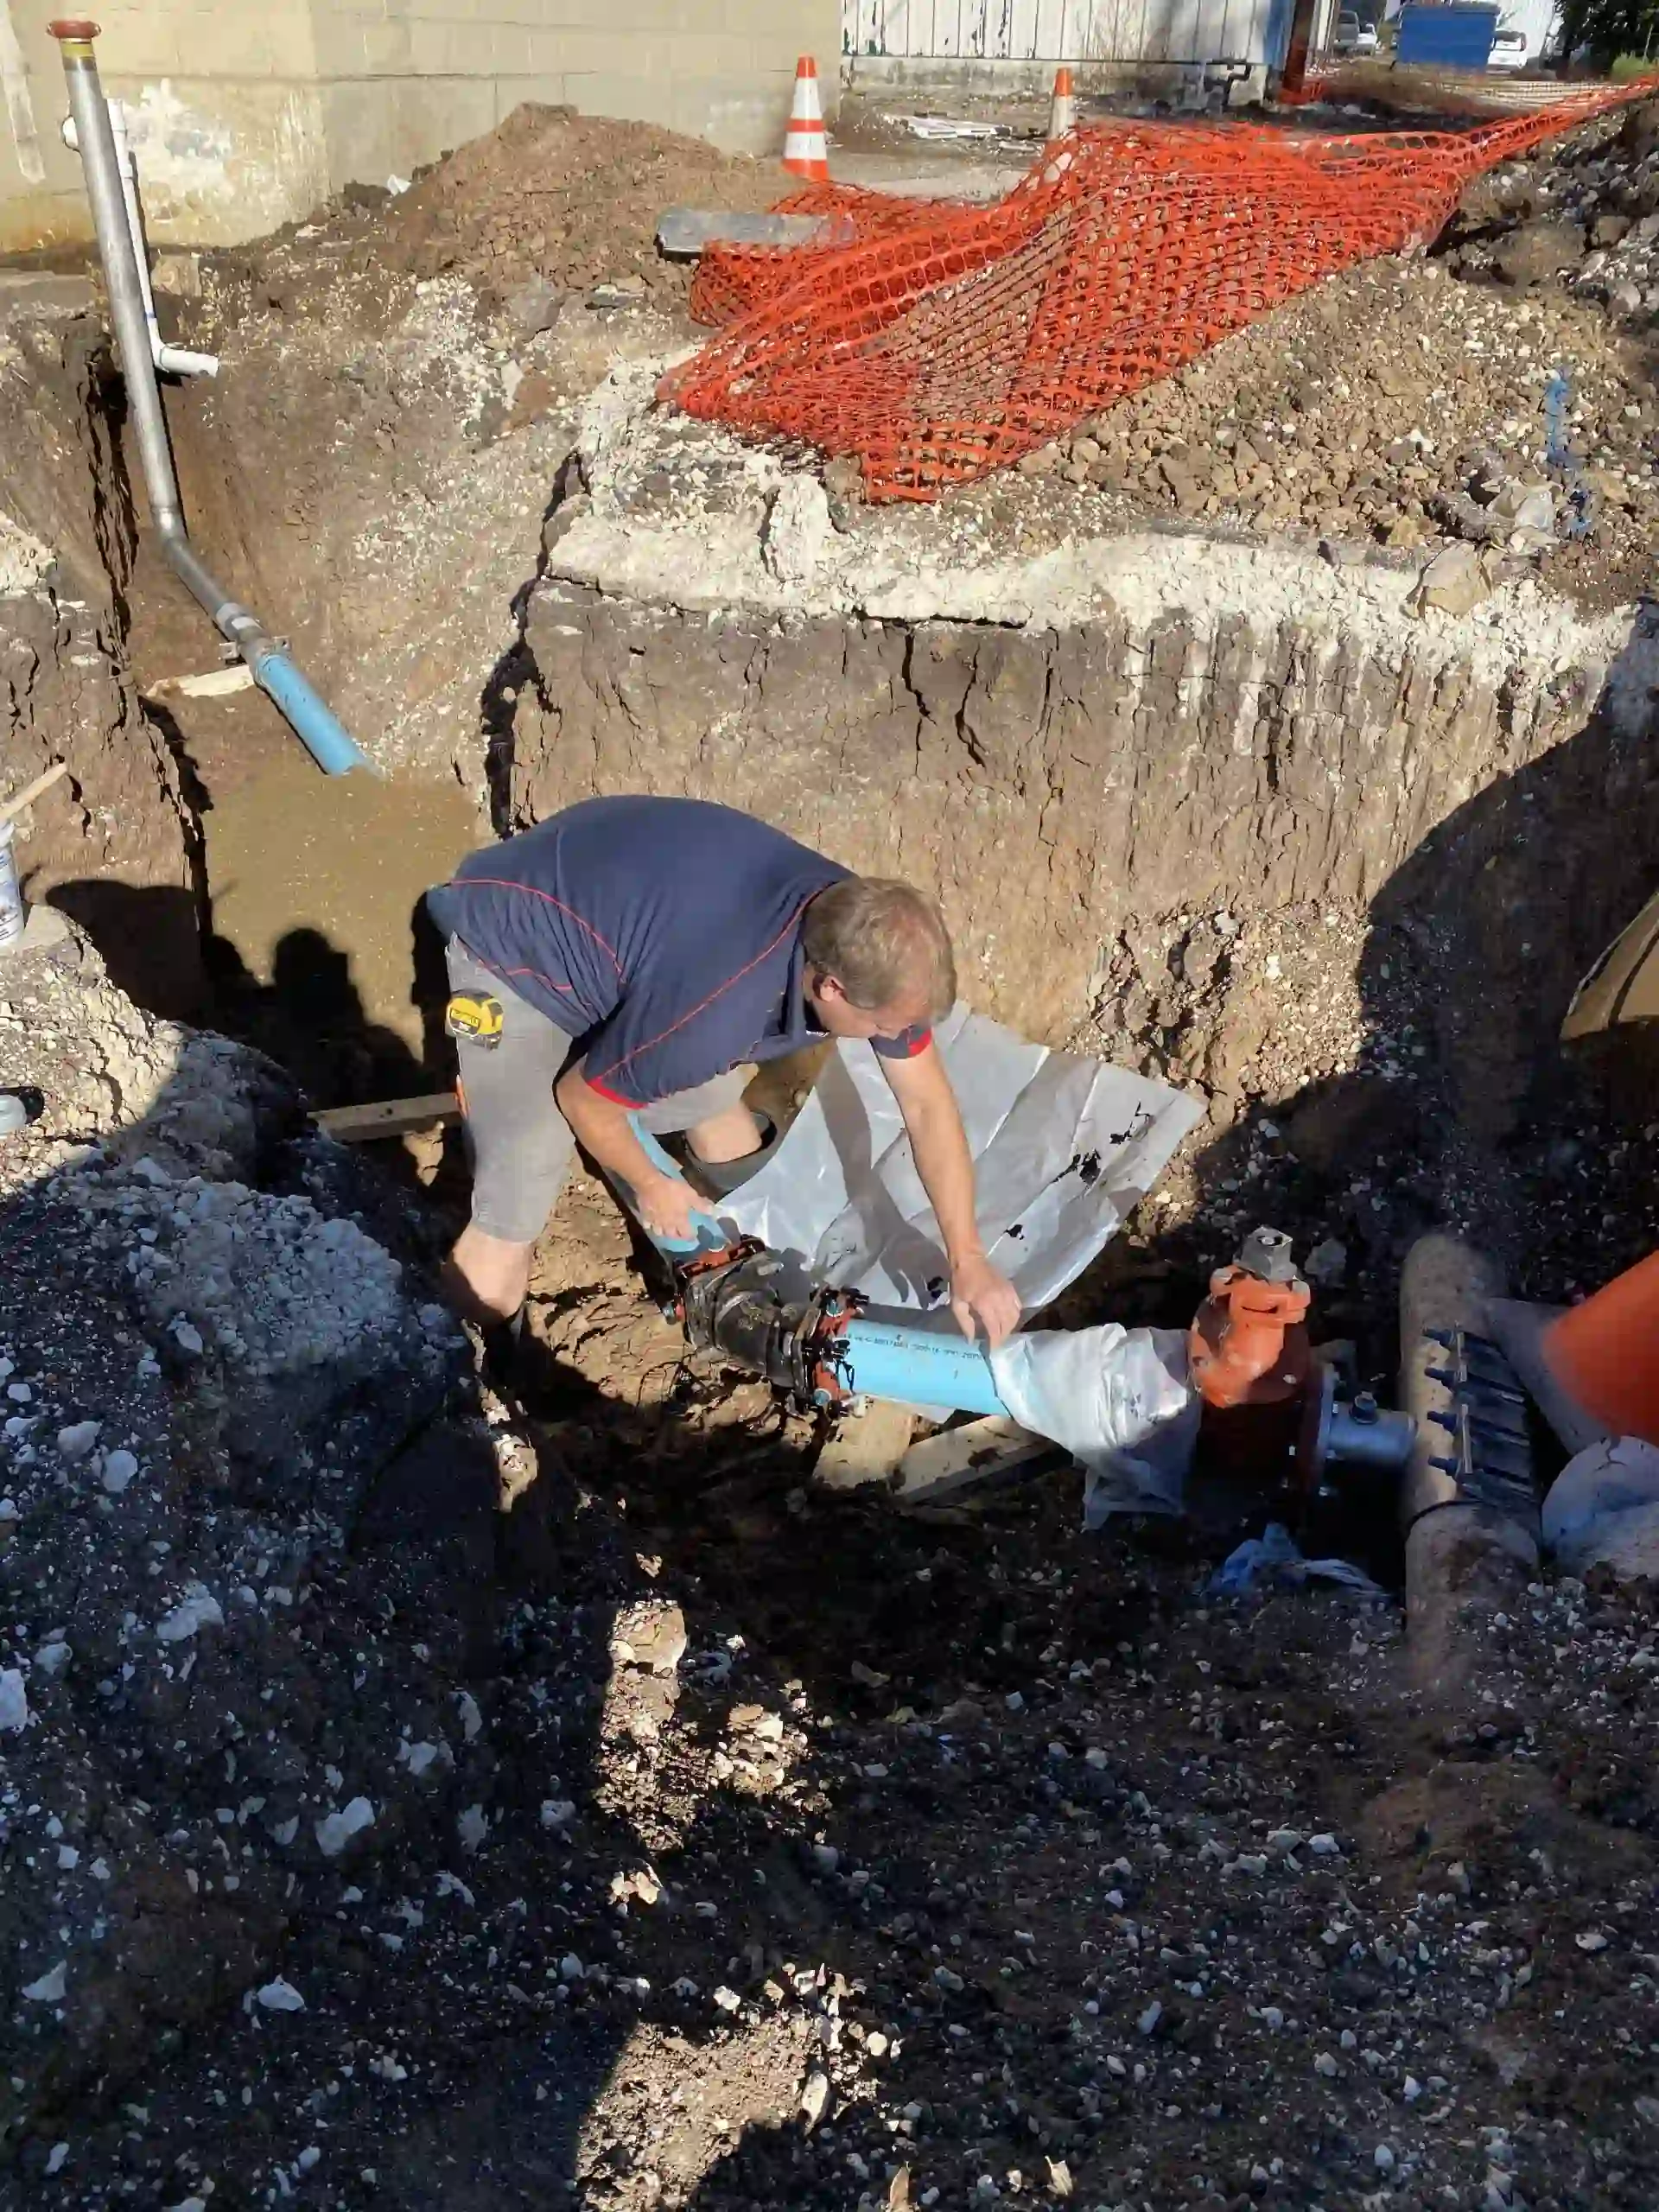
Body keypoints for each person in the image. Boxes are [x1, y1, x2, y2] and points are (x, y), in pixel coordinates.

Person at [426, 794, 1021, 1348]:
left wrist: (967, 1257)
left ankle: (746, 1268)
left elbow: (926, 1105)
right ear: (831, 987)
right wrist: (654, 1186)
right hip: (515, 950)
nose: (895, 1039)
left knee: (722, 1119)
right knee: (506, 1234)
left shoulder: (864, 935)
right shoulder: (720, 1008)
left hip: (626, 933)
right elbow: (584, 1100)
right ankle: (474, 1375)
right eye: (884, 1028)